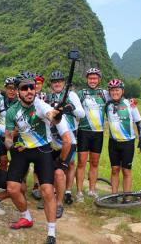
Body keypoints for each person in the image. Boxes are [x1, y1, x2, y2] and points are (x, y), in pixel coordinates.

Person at [4, 71, 61, 244]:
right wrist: (11, 146)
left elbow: (51, 115)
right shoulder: (12, 111)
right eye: (25, 88)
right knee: (13, 188)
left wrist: (56, 115)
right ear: (18, 91)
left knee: (47, 190)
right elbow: (7, 137)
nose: (29, 90)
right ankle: (26, 218)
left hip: (43, 150)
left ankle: (51, 233)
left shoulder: (40, 105)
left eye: (32, 87)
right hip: (22, 150)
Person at [45, 70, 85, 205]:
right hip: (54, 137)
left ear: (63, 83)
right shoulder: (48, 97)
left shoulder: (71, 94)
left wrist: (70, 108)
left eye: (59, 81)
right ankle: (55, 191)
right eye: (54, 82)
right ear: (51, 84)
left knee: (70, 163)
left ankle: (67, 191)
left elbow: (82, 113)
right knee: (56, 165)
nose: (57, 84)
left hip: (70, 135)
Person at [75, 68, 110, 202]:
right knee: (82, 162)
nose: (93, 81)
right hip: (84, 132)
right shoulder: (81, 93)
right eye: (90, 78)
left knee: (95, 163)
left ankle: (92, 190)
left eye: (95, 78)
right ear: (87, 79)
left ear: (99, 79)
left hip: (98, 133)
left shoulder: (104, 94)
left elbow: (117, 97)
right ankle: (79, 192)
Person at [105, 79, 141, 193]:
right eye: (112, 90)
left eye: (117, 90)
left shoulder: (130, 104)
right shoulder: (107, 104)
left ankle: (127, 196)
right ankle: (114, 195)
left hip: (128, 143)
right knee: (114, 170)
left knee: (126, 171)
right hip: (113, 143)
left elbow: (139, 122)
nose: (114, 92)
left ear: (122, 91)